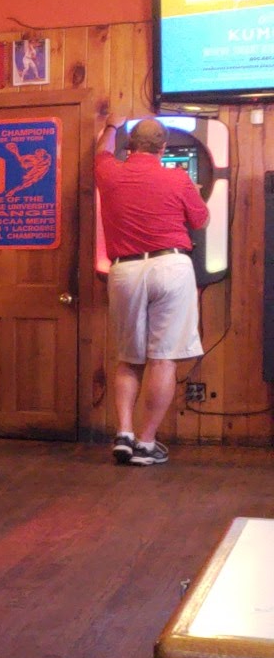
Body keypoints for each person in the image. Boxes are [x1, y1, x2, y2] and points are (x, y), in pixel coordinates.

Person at [95, 113, 209, 467]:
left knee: (129, 358)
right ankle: (146, 442)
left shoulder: (109, 171)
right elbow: (201, 219)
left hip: (125, 270)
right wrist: (193, 194)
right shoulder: (177, 177)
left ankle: (124, 434)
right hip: (170, 266)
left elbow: (101, 152)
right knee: (163, 358)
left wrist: (111, 126)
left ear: (130, 146)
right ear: (163, 148)